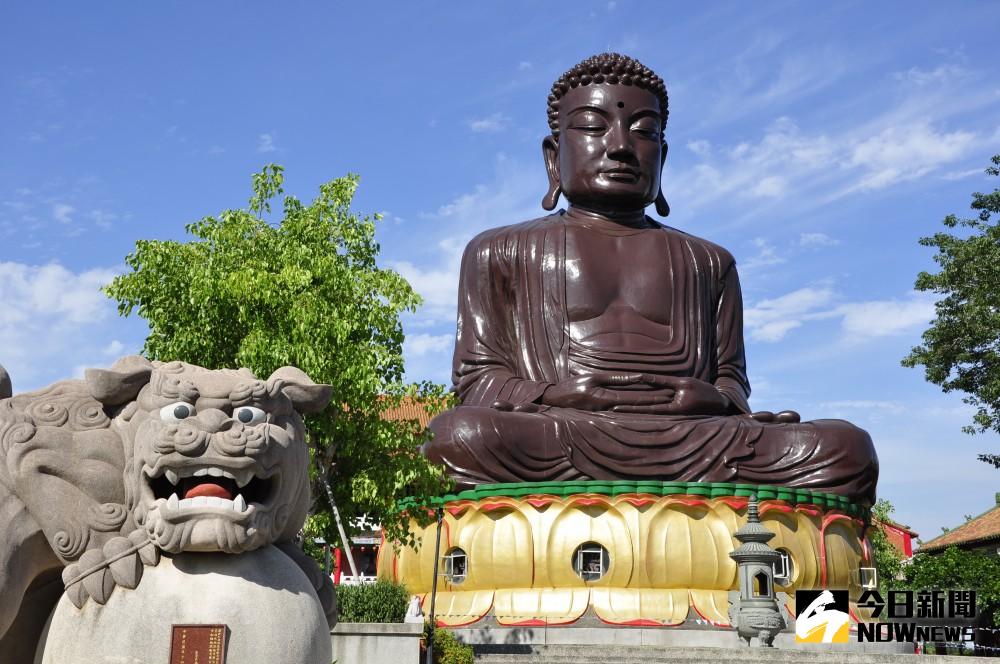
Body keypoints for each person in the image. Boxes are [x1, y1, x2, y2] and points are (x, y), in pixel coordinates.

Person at [425, 53, 877, 502]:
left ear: (662, 155)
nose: (621, 145)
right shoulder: (499, 250)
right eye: (592, 126)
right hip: (563, 429)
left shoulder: (709, 261)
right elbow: (478, 379)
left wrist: (713, 400)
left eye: (644, 131)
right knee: (460, 434)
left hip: (698, 438)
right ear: (552, 155)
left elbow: (731, 381)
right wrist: (556, 394)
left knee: (846, 447)